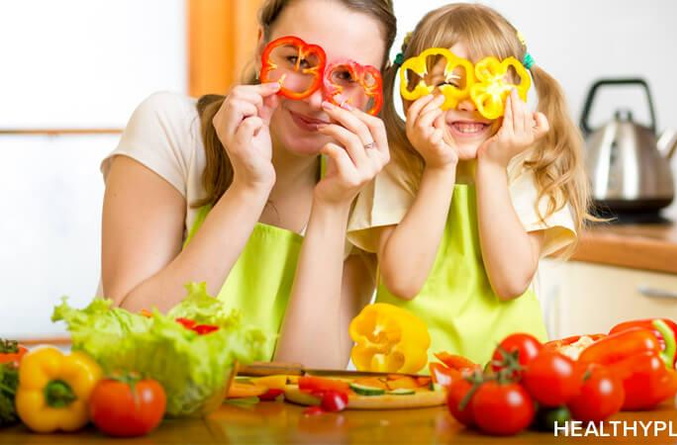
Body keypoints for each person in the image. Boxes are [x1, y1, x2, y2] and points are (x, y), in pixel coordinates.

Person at [100, 0, 397, 368]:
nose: (318, 97)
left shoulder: (362, 182)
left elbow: (308, 383)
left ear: (375, 85)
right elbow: (128, 339)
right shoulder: (171, 127)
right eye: (298, 61)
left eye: (347, 77)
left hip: (269, 426)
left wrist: (332, 208)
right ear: (261, 49)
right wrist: (248, 189)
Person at [348, 2, 594, 365]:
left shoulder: (527, 165)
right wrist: (438, 167)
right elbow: (402, 280)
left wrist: (492, 168)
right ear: (412, 88)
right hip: (410, 374)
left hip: (509, 377)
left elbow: (510, 282)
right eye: (447, 83)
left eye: (487, 83)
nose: (468, 103)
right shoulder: (393, 163)